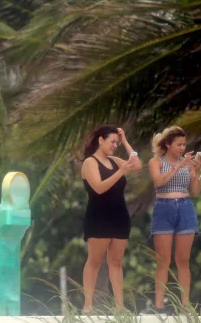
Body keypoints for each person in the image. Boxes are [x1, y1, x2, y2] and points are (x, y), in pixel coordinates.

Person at [81, 125, 141, 312]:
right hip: (99, 216)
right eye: (112, 141)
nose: (115, 145)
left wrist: (126, 142)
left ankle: (119, 307)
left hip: (119, 216)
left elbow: (137, 165)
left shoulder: (115, 161)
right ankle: (88, 305)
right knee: (95, 261)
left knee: (116, 262)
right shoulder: (90, 162)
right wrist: (121, 172)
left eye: (117, 143)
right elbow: (99, 188)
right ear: (100, 140)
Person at [148, 126, 201, 314]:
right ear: (168, 144)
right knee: (163, 260)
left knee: (183, 260)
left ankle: (185, 306)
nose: (182, 148)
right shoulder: (156, 162)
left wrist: (197, 171)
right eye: (179, 144)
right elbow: (158, 182)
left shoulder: (188, 164)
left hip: (185, 207)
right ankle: (159, 306)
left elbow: (195, 192)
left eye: (184, 144)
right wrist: (179, 166)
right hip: (164, 208)